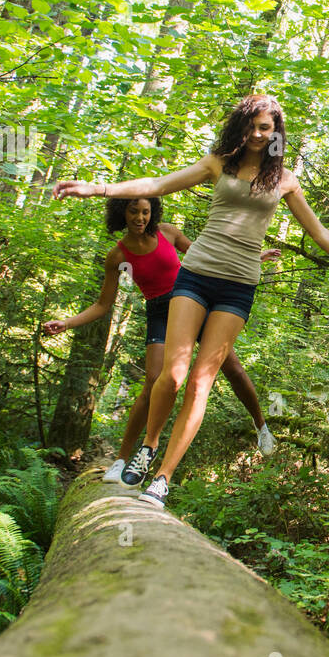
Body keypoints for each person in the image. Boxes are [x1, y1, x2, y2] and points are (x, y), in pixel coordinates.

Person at [53, 93, 329, 507]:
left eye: (265, 128)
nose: (256, 134)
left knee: (201, 382)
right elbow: (159, 184)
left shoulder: (284, 179)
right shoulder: (219, 163)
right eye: (251, 125)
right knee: (173, 375)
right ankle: (148, 447)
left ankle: (163, 477)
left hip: (238, 286)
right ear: (240, 126)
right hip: (195, 276)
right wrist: (99, 189)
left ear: (276, 133)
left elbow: (320, 235)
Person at [42, 195, 279, 484]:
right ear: (122, 213)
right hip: (159, 311)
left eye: (145, 212)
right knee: (155, 380)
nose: (140, 218)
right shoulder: (117, 256)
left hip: (193, 302)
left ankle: (261, 425)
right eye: (133, 212)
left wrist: (253, 257)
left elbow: (207, 259)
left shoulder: (168, 232)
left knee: (233, 370)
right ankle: (121, 460)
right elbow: (103, 305)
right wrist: (65, 323)